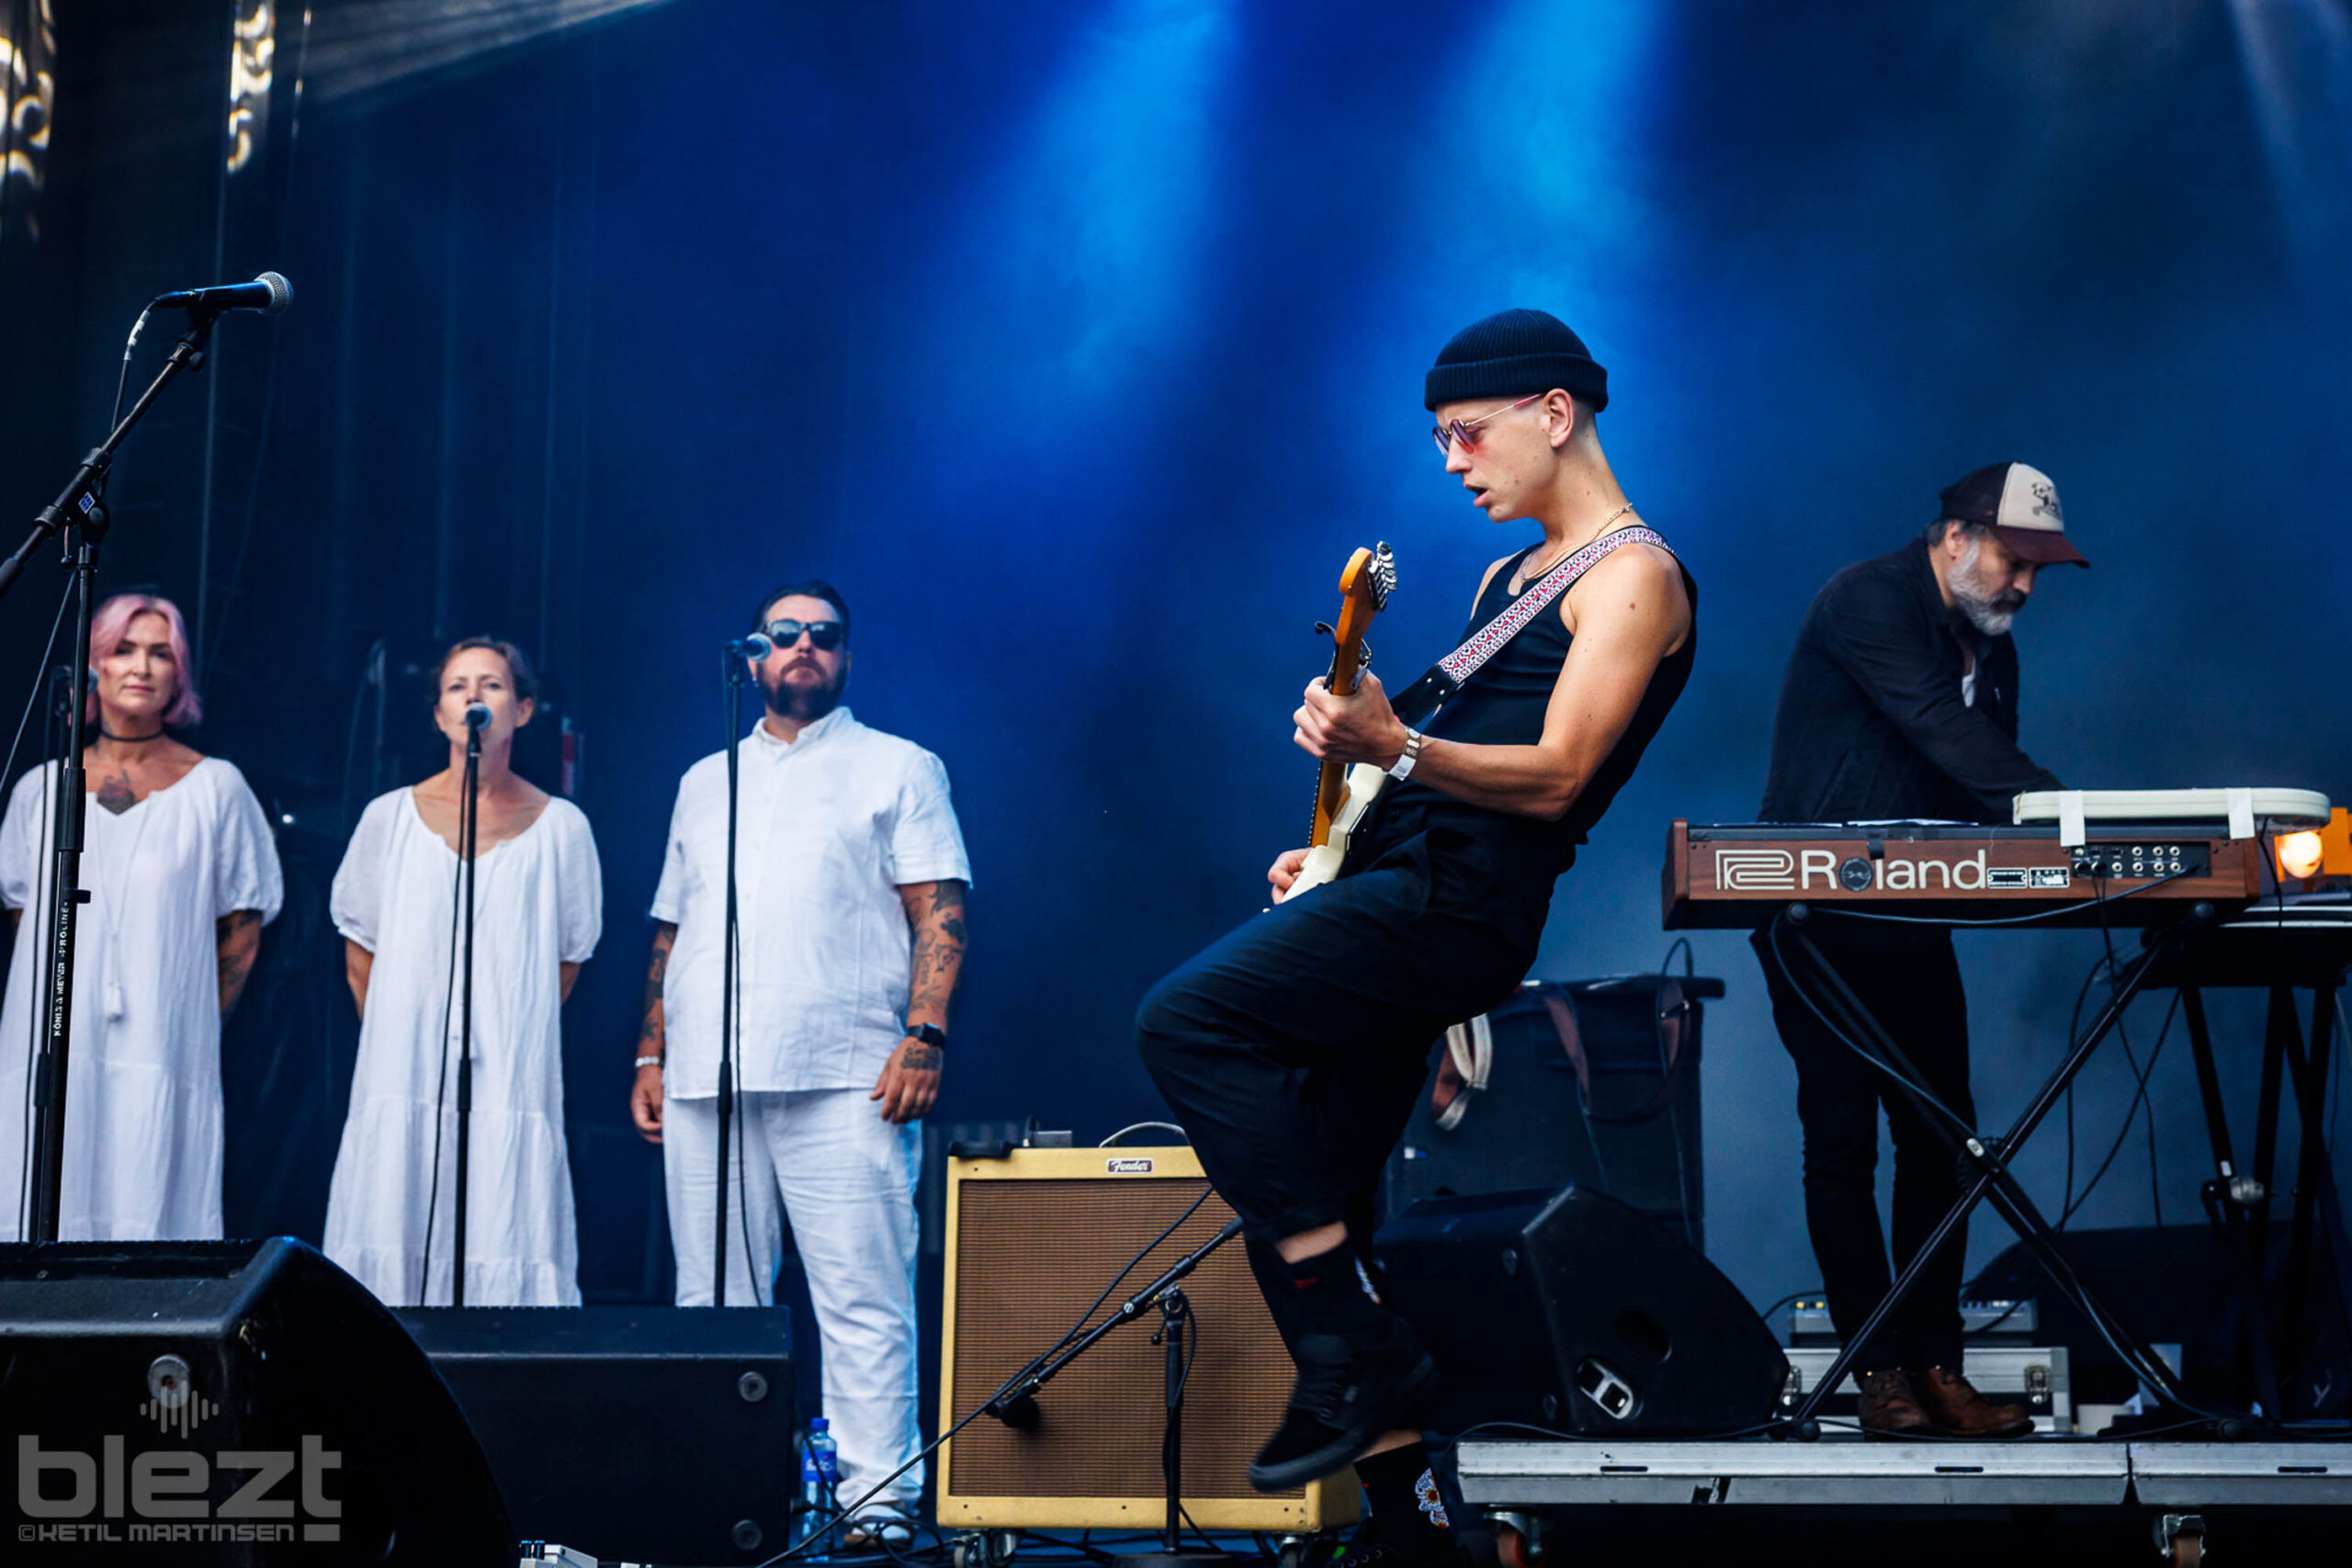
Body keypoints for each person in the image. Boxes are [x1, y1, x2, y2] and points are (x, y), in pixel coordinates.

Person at [1136, 309, 1695, 1564]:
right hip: (1396, 877)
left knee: (1184, 1021)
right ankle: (1414, 1525)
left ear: (1555, 412)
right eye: (1440, 438)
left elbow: (1553, 777)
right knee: (1302, 1189)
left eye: (1467, 432)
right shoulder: (1515, 580)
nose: (1451, 460)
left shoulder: (1635, 575)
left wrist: (1391, 744)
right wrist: (1336, 838)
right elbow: (1434, 764)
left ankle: (1364, 1348)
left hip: (1462, 910)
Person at [1751, 461, 2087, 1438]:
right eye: (2014, 561)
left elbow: (1982, 794)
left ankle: (1938, 1366)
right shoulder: (1868, 602)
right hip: (1813, 915)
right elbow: (1942, 733)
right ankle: (1878, 1373)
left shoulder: (1992, 645)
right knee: (1843, 1140)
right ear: (1953, 538)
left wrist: (2061, 842)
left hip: (1906, 914)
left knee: (1943, 1141)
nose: (2026, 586)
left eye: (2040, 571)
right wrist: (2075, 818)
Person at [631, 581, 970, 1537]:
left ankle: (877, 1501)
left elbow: (938, 907)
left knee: (861, 1296)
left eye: (825, 637)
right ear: (752, 658)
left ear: (847, 660)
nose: (804, 648)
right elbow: (672, 927)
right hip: (708, 1077)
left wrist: (925, 1033)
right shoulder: (705, 780)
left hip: (847, 1069)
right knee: (714, 1304)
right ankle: (727, 1491)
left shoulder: (899, 767)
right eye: (784, 636)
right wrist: (649, 1053)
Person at [323, 636, 601, 1306]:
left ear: (525, 709)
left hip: (508, 1073)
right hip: (403, 1070)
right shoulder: (387, 818)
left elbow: (565, 961)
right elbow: (361, 955)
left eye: (493, 684)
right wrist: (408, 1038)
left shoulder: (563, 828)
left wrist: (501, 1028)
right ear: (440, 714)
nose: (473, 695)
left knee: (500, 1218)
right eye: (456, 686)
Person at [0, 592, 282, 1241]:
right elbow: (25, 917)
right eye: (124, 648)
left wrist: (192, 1018)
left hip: (164, 1036)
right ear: (93, 664)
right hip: (57, 1041)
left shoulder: (217, 787)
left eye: (160, 652)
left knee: (151, 1186)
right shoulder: (41, 787)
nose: (141, 666)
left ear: (180, 673)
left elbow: (241, 925)